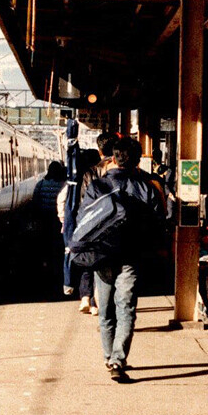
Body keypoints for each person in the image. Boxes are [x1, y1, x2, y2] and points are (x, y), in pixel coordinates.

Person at [77, 138, 165, 381]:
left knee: (105, 309)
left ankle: (109, 356)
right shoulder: (147, 188)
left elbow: (83, 219)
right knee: (126, 308)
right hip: (132, 256)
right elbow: (159, 223)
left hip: (102, 256)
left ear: (113, 158)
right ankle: (118, 359)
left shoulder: (97, 186)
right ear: (137, 162)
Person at [57, 148, 101, 312]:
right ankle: (96, 303)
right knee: (96, 263)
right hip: (96, 225)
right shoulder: (98, 179)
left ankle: (85, 298)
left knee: (85, 262)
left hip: (78, 225)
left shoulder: (73, 182)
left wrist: (65, 221)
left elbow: (62, 201)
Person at [33, 161, 66, 291]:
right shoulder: (63, 185)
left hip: (45, 220)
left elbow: (35, 201)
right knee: (59, 247)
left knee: (45, 247)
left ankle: (46, 271)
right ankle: (58, 272)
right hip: (59, 221)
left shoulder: (40, 184)